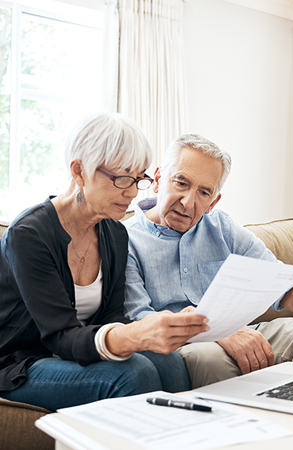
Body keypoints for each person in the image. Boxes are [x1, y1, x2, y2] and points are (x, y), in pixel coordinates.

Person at [0, 114, 209, 411]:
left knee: (169, 360)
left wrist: (152, 328)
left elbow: (111, 318)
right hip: (19, 363)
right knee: (134, 374)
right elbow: (60, 336)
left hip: (69, 353)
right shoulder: (30, 235)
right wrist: (134, 335)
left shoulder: (114, 233)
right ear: (79, 171)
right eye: (122, 178)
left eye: (138, 179)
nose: (133, 192)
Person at [124, 133, 293, 389]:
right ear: (158, 179)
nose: (188, 202)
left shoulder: (222, 227)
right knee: (207, 358)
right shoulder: (125, 239)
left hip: (245, 334)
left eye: (204, 192)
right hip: (186, 345)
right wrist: (215, 330)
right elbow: (138, 317)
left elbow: (288, 286)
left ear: (213, 202)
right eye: (181, 183)